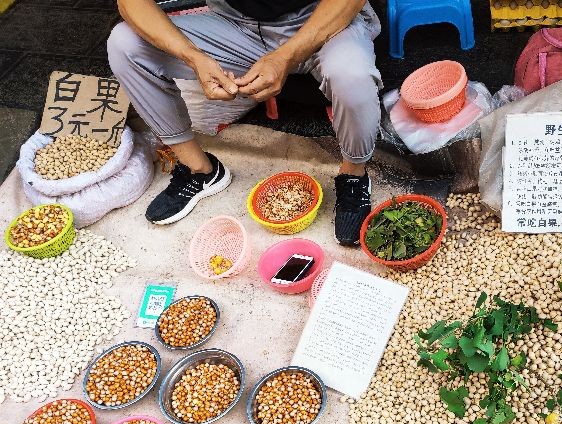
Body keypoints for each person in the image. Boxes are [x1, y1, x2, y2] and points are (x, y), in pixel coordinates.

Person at [107, 0, 382, 245]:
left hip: (322, 20)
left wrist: (284, 57)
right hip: (236, 25)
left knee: (351, 75)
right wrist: (193, 57)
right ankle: (200, 170)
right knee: (125, 43)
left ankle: (353, 176)